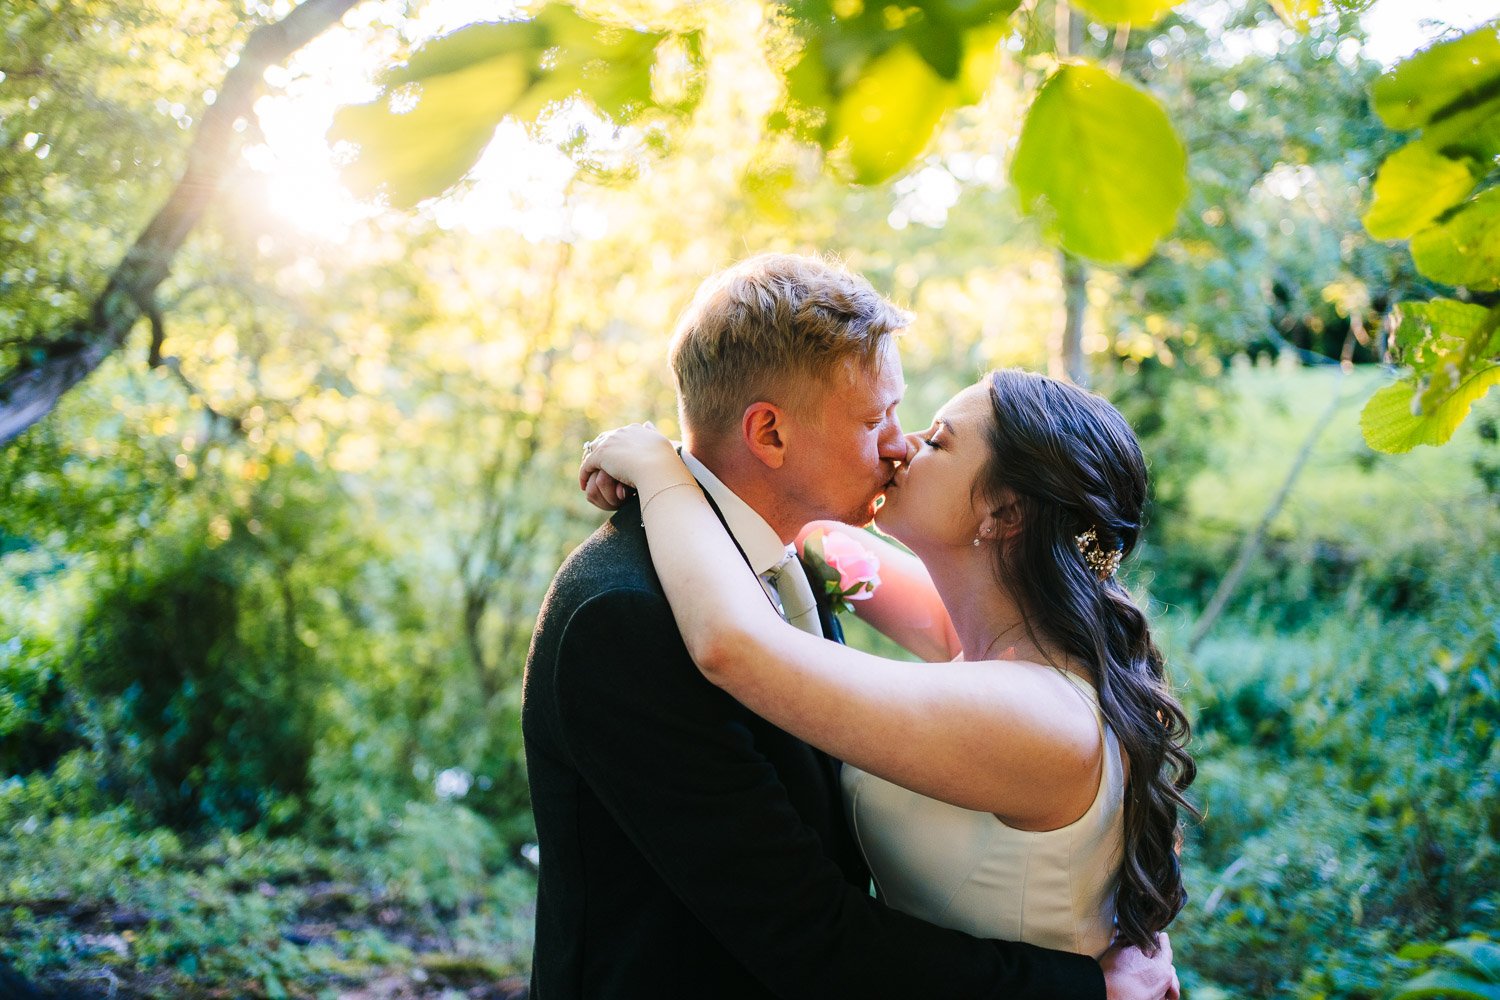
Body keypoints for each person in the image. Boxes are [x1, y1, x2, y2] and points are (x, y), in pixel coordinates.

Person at [523, 252, 1179, 999]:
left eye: (932, 437)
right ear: (770, 434)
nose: (901, 446)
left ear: (1003, 515)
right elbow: (797, 533)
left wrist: (662, 470)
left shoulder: (1033, 706)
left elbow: (739, 642)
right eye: (878, 420)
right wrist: (671, 472)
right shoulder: (633, 611)